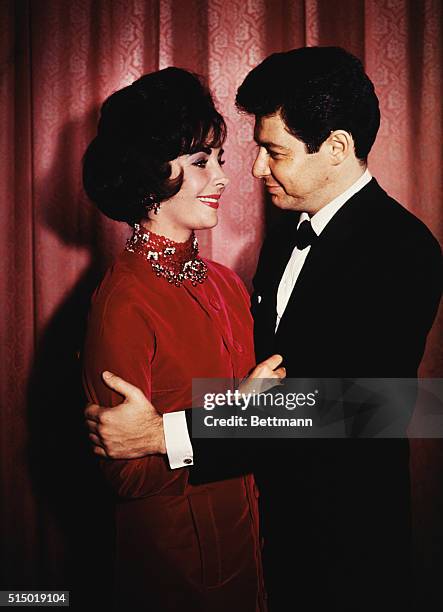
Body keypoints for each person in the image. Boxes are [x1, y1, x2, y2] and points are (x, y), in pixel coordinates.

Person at [85, 48, 442, 611]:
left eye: (272, 151)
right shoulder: (285, 231)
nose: (251, 171)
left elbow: (371, 407)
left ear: (337, 149)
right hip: (258, 543)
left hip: (344, 553)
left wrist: (165, 435)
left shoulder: (404, 248)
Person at [82, 67, 286, 611]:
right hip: (178, 571)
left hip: (250, 549)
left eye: (218, 159)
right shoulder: (123, 301)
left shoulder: (224, 282)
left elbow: (261, 421)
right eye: (201, 162)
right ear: (149, 175)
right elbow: (125, 473)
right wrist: (238, 413)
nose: (222, 177)